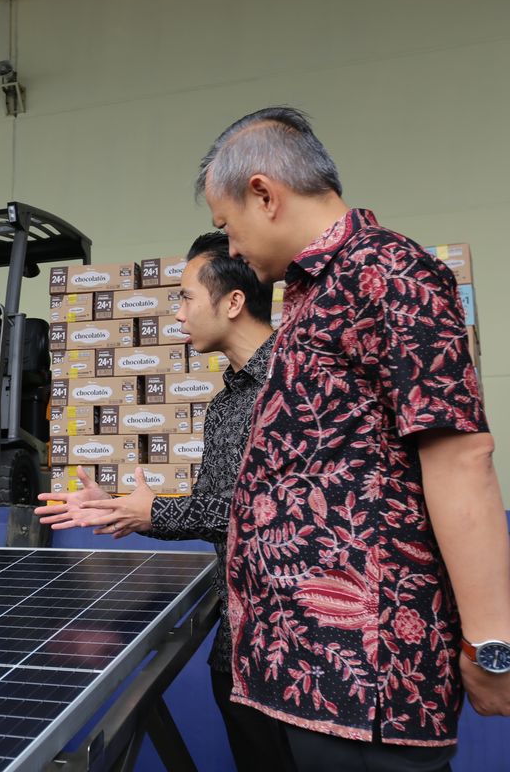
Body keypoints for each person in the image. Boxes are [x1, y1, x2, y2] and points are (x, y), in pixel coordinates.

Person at [198, 106, 510, 770]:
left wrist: (493, 647)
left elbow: (461, 461)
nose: (231, 252)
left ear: (264, 194)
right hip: (313, 673)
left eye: (227, 228)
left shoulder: (389, 273)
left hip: (368, 684)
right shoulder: (313, 293)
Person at [36, 231, 288, 771]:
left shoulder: (297, 385)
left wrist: (151, 512)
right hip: (239, 648)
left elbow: (269, 508)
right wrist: (126, 508)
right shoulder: (225, 404)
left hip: (301, 655)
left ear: (234, 302)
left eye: (186, 297)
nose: (177, 313)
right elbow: (218, 510)